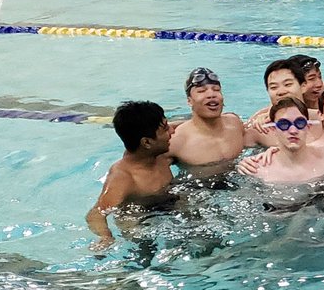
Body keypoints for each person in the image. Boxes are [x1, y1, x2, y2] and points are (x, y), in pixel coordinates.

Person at [86, 101, 174, 248]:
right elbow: (96, 214)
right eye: (166, 128)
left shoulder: (161, 155)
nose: (173, 131)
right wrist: (106, 237)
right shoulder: (124, 177)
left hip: (169, 207)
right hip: (140, 221)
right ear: (146, 142)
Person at [238, 98, 324, 185]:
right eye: (284, 124)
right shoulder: (257, 169)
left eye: (299, 123)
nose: (293, 130)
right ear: (273, 129)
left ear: (308, 126)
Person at [169, 68, 254, 168]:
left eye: (216, 90)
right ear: (189, 101)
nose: (211, 94)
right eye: (201, 91)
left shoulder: (235, 123)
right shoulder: (177, 141)